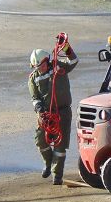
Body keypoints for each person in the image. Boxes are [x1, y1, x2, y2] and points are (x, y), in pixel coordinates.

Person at [28, 35, 78, 185]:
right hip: (46, 114)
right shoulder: (33, 78)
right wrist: (40, 111)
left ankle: (57, 175)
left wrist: (67, 48)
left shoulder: (58, 66)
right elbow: (35, 98)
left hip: (62, 112)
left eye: (42, 65)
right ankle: (48, 163)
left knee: (60, 146)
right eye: (37, 67)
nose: (41, 69)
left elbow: (74, 61)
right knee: (40, 140)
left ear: (46, 61)